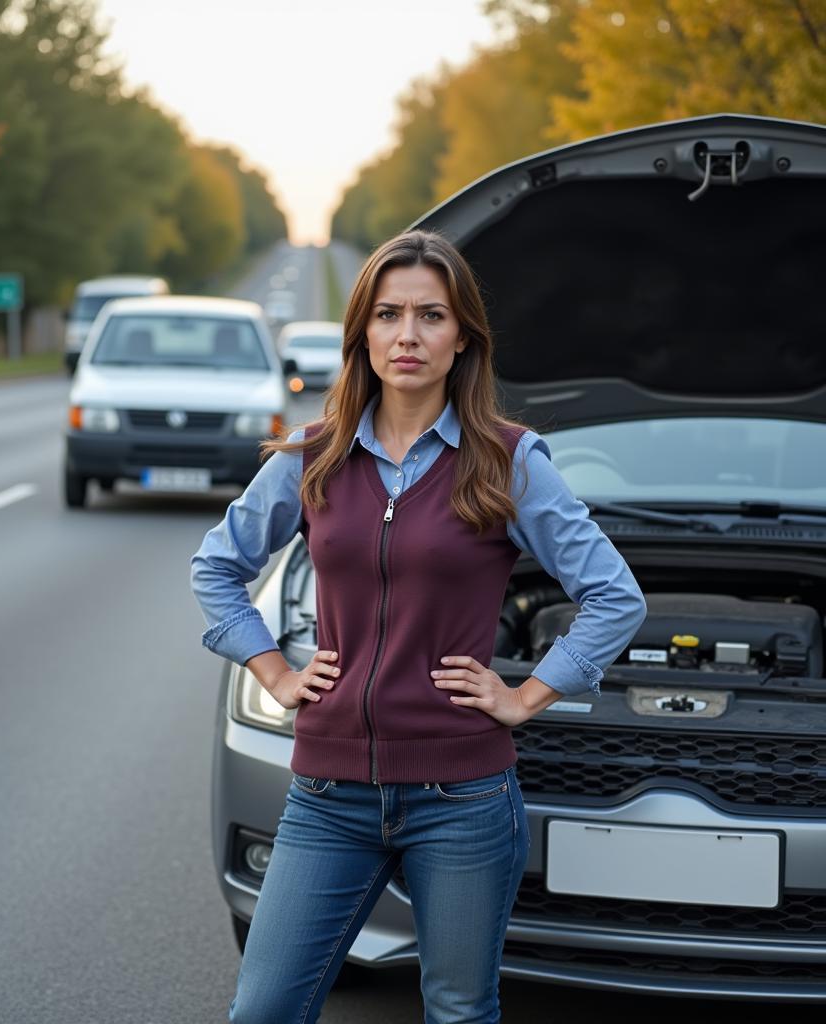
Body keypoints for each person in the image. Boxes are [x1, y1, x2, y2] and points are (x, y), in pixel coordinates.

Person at [190, 230, 647, 1023]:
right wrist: (274, 671)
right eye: (390, 314)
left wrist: (527, 696)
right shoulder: (314, 457)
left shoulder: (509, 461)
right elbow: (215, 567)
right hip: (329, 792)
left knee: (459, 1011)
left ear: (462, 336)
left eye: (431, 316)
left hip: (461, 795)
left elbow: (614, 596)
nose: (408, 335)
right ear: (362, 333)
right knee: (263, 1009)